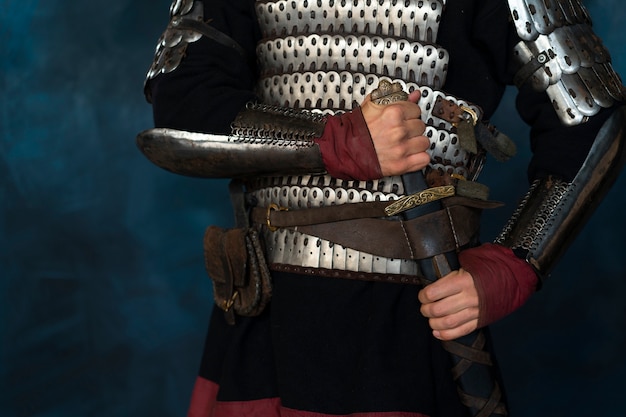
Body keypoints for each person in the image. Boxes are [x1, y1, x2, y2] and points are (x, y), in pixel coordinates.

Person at [138, 0, 625, 416]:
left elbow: (592, 115)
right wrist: (331, 141)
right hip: (264, 312)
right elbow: (181, 109)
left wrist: (516, 260)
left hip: (411, 317)